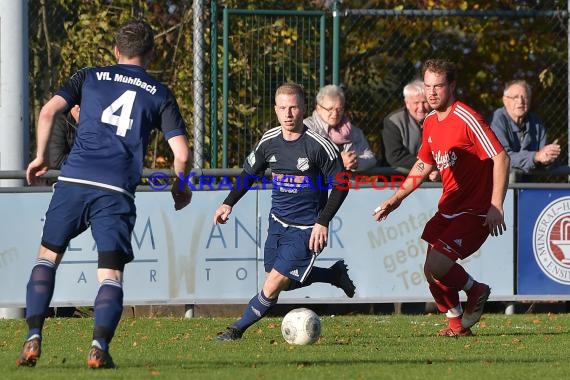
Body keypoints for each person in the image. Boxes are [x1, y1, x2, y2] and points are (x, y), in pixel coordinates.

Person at [17, 19, 192, 369]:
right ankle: (98, 346)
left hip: (74, 182)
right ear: (151, 54)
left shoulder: (89, 76)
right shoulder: (159, 93)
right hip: (115, 191)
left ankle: (33, 336)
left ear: (115, 50)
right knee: (110, 275)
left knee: (46, 258)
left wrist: (39, 157)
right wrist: (181, 186)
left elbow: (49, 110)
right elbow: (182, 154)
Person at [373, 59, 510, 337]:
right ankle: (457, 326)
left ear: (452, 86)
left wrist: (496, 204)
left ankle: (476, 290)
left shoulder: (467, 117)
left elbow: (501, 157)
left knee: (438, 265)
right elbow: (423, 164)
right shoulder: (431, 121)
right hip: (448, 207)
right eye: (428, 86)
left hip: (474, 209)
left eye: (438, 86)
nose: (432, 92)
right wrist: (398, 197)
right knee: (430, 271)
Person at [214, 83, 354, 341]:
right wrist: (228, 202)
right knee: (281, 280)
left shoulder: (319, 146)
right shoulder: (269, 141)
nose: (288, 114)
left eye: (293, 107)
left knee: (273, 283)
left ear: (303, 109)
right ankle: (332, 274)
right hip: (277, 223)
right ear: (276, 110)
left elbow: (342, 185)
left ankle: (236, 330)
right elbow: (249, 174)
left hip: (306, 228)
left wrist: (322, 221)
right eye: (282, 108)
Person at [490, 79, 560, 175]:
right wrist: (535, 157)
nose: (521, 101)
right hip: (501, 183)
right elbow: (502, 157)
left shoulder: (536, 122)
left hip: (529, 184)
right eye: (515, 97)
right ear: (505, 100)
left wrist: (549, 157)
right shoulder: (496, 120)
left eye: (525, 97)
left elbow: (543, 157)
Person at [304, 84, 377, 172]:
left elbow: (371, 158)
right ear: (318, 108)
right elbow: (303, 159)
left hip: (350, 184)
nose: (335, 114)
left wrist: (355, 162)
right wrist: (338, 161)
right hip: (319, 183)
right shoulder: (306, 128)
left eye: (339, 109)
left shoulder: (354, 131)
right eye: (330, 109)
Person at [382, 79, 439, 181]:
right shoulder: (393, 121)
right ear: (407, 103)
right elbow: (395, 156)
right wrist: (427, 166)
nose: (421, 108)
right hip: (397, 180)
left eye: (425, 102)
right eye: (416, 103)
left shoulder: (438, 119)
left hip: (431, 177)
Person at [47, 104, 80, 170]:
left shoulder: (92, 123)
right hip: (57, 177)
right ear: (77, 107)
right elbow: (56, 161)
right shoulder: (57, 121)